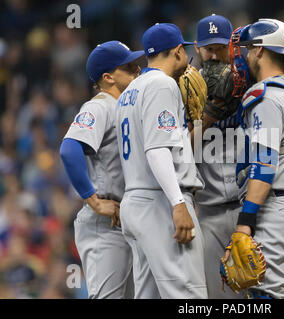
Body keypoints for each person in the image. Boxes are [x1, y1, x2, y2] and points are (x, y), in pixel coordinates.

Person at [226, 19, 284, 299]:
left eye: (247, 48)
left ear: (259, 50)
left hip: (278, 215)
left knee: (264, 300)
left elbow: (264, 167)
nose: (244, 56)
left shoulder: (265, 97)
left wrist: (245, 222)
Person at [115, 23, 207, 299]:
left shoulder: (129, 91)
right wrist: (178, 203)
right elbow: (157, 150)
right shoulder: (162, 84)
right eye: (185, 52)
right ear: (178, 51)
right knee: (188, 296)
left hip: (135, 201)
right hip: (160, 202)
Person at [59, 41, 144, 298]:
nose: (137, 70)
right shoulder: (100, 105)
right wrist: (93, 201)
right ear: (108, 77)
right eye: (128, 67)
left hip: (127, 219)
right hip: (104, 221)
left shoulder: (127, 105)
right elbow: (69, 148)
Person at [193, 14, 245, 299]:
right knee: (216, 296)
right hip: (209, 213)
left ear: (231, 47)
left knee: (258, 294)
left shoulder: (251, 85)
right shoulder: (184, 91)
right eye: (208, 48)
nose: (213, 55)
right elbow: (180, 150)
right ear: (197, 49)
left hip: (248, 209)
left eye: (220, 47)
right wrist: (208, 115)